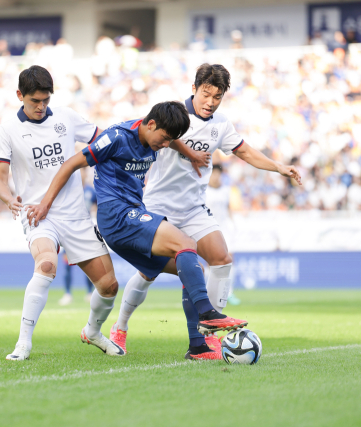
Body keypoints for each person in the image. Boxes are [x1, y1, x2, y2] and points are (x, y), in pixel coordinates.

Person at [26, 101, 248, 361]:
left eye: (169, 141)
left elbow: (171, 139)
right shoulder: (116, 137)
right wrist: (45, 204)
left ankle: (197, 347)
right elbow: (70, 164)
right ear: (151, 124)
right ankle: (206, 314)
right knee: (186, 243)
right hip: (116, 216)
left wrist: (191, 153)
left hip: (132, 215)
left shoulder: (156, 134)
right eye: (164, 139)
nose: (165, 146)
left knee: (192, 267)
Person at [110, 64, 301, 360]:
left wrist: (278, 167)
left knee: (221, 259)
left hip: (194, 209)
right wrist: (192, 153)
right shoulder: (172, 114)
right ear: (194, 89)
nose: (210, 101)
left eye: (217, 96)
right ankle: (120, 327)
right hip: (159, 207)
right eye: (206, 93)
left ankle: (206, 336)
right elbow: (159, 136)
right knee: (148, 273)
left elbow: (245, 151)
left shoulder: (221, 125)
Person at [0, 65, 123, 361]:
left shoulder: (66, 117)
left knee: (109, 285)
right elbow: (0, 178)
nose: (40, 107)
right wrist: (8, 198)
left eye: (45, 100)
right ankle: (23, 342)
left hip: (75, 215)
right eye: (34, 101)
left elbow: (104, 141)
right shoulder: (8, 130)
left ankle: (92, 331)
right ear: (19, 96)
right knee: (47, 265)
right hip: (38, 215)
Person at [205, 164, 240, 305]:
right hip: (210, 228)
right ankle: (210, 292)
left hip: (225, 228)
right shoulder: (204, 191)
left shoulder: (226, 190)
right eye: (213, 173)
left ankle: (228, 292)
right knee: (211, 262)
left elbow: (228, 209)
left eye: (218, 174)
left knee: (230, 259)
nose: (215, 176)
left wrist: (234, 225)